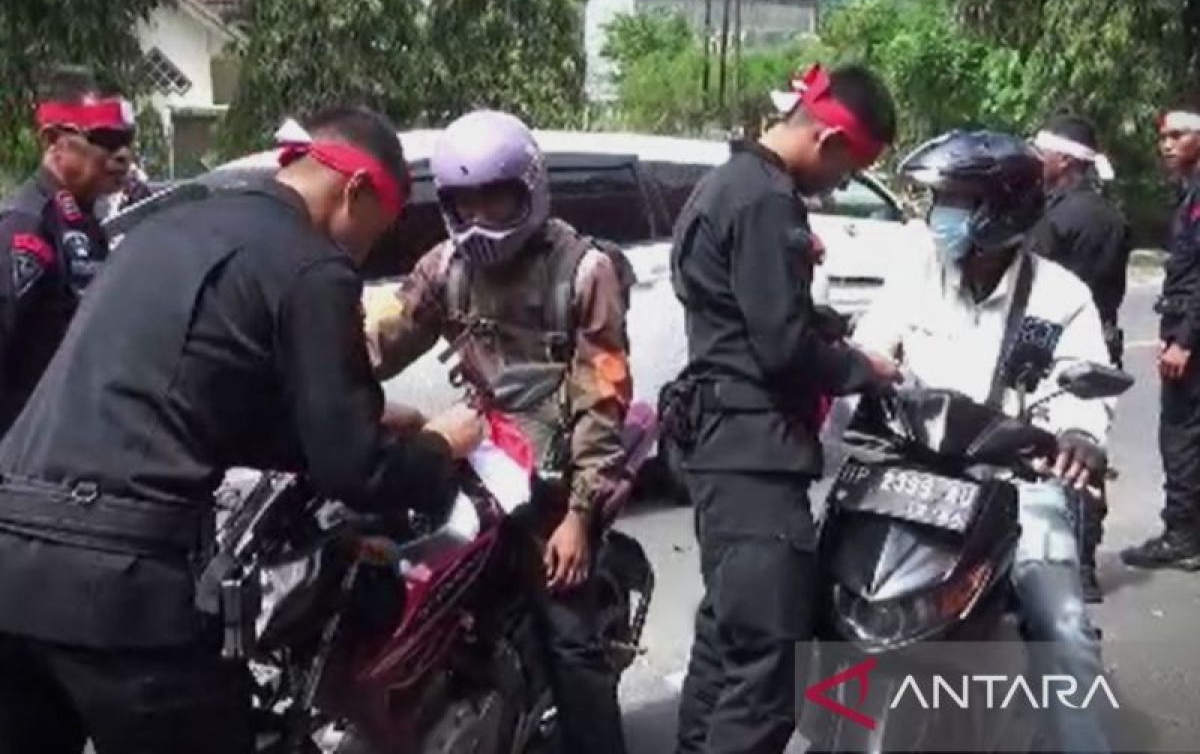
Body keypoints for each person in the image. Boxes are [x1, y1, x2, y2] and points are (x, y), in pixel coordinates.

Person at [0, 106, 484, 753]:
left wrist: (343, 416)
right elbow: (356, 470)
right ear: (356, 191)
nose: (367, 250)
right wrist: (438, 445)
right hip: (122, 589)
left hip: (12, 556)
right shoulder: (313, 265)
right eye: (379, 228)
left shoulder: (164, 226)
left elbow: (189, 398)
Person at [363, 109, 633, 754]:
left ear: (529, 188)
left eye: (496, 197)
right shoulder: (444, 266)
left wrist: (579, 515)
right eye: (465, 201)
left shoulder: (583, 270)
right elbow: (384, 338)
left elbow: (603, 397)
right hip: (481, 454)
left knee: (569, 638)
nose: (480, 216)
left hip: (558, 478)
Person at [852, 130, 1114, 753]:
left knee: (1063, 629)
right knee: (832, 596)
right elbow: (871, 345)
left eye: (957, 200)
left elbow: (1084, 388)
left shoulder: (1059, 297)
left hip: (1013, 487)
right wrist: (859, 370)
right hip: (912, 479)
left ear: (1002, 211)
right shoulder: (916, 271)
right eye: (940, 199)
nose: (939, 214)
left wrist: (1080, 433)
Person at [664, 63, 899, 754]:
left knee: (727, 644)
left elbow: (748, 312)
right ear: (828, 140)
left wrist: (823, 324)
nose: (841, 184)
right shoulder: (766, 200)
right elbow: (780, 347)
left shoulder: (725, 184)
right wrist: (865, 369)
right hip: (754, 457)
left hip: (723, 451)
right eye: (849, 169)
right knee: (770, 668)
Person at [0, 68, 134, 436]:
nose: (122, 155)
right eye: (105, 139)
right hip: (24, 445)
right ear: (53, 141)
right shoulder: (26, 228)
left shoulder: (86, 224)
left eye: (127, 140)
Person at [1031, 114, 1132, 601]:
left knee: (1058, 451)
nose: (1037, 160)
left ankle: (1061, 563)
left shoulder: (1055, 219)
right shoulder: (1110, 215)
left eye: (1042, 152)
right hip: (1103, 342)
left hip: (1059, 346)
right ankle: (1085, 564)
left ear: (1065, 160)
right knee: (1087, 448)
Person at [1122, 104, 1200, 571]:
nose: (1165, 145)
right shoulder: (1189, 192)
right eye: (1163, 137)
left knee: (1181, 434)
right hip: (1184, 325)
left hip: (1191, 334)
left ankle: (1181, 537)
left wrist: (1184, 340)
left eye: (1177, 135)